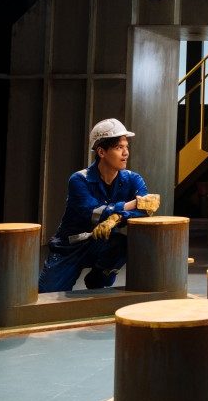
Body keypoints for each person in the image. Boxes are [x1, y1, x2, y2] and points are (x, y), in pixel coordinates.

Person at [38, 118, 161, 293]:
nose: (126, 153)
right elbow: (93, 212)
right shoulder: (79, 180)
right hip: (70, 247)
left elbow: (144, 211)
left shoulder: (133, 179)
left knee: (121, 244)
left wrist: (117, 217)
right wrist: (132, 204)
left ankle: (98, 278)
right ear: (102, 152)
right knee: (47, 297)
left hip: (101, 241)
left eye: (126, 147)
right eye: (119, 147)